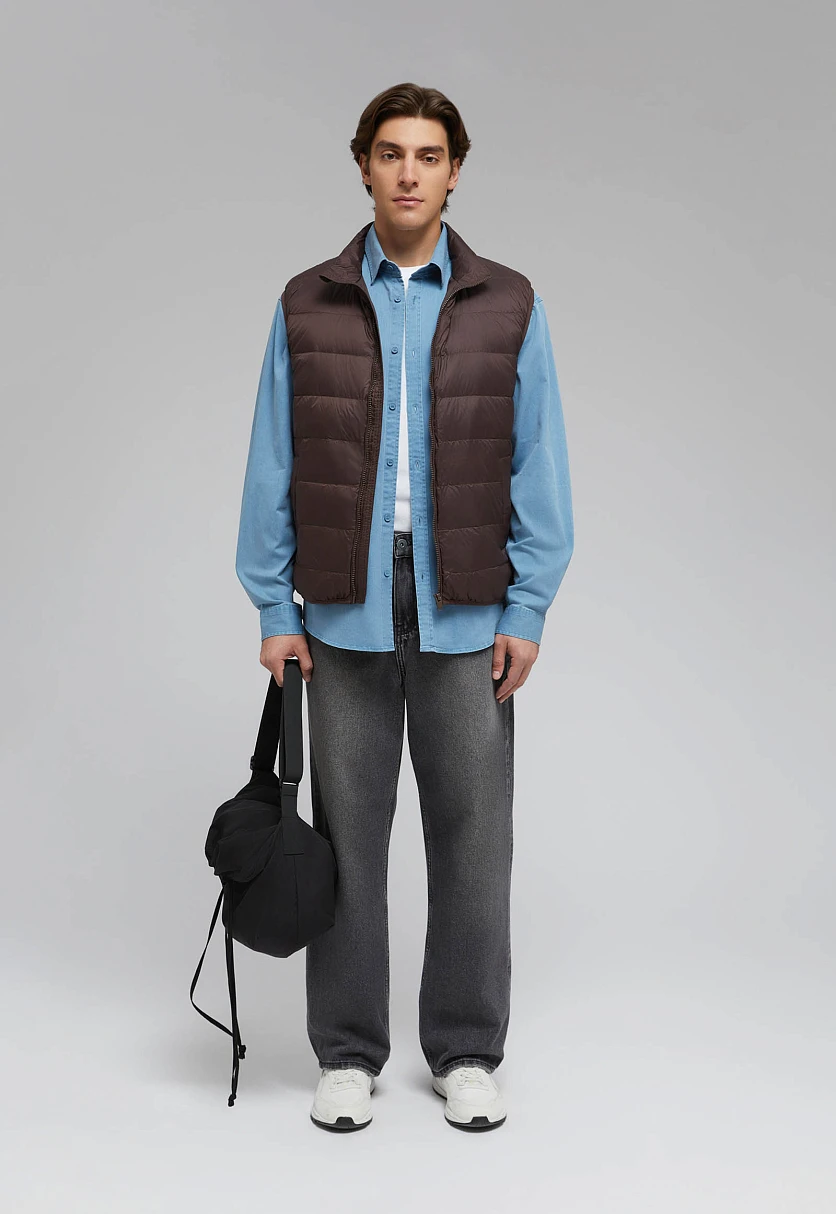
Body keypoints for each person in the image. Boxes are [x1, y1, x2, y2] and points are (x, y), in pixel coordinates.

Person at [235, 81, 574, 1133]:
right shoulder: (308, 301)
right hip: (342, 603)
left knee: (473, 838)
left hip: (466, 604)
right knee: (348, 838)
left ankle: (465, 1049)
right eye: (391, 153)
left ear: (455, 170)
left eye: (429, 155)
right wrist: (273, 606)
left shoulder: (509, 302)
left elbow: (538, 461)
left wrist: (527, 607)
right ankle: (347, 1052)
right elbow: (272, 459)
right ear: (364, 166)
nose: (409, 172)